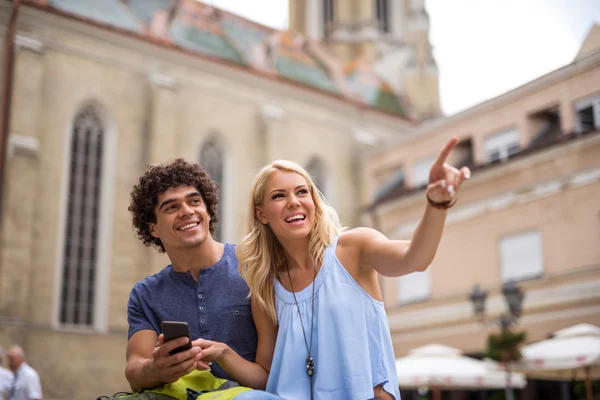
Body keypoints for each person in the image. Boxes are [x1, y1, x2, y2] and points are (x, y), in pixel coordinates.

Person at [229, 137, 469, 399]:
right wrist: (221, 353)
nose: (294, 201)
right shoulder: (265, 288)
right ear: (261, 214)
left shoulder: (354, 249)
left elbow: (415, 258)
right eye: (278, 196)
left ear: (314, 201)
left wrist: (436, 204)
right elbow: (266, 375)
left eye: (302, 192)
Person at [125, 159, 258, 392]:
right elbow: (135, 371)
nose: (187, 211)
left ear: (207, 212)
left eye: (194, 201)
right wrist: (157, 368)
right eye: (171, 207)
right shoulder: (144, 295)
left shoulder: (254, 267)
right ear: (153, 228)